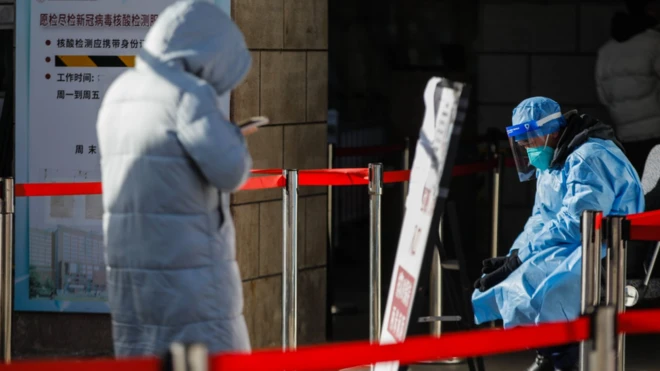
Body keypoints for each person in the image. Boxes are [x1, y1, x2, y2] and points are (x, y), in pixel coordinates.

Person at [96, 1, 255, 357]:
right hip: (188, 275)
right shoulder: (188, 94)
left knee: (144, 357)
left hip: (132, 273)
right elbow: (230, 171)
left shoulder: (118, 92)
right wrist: (234, 135)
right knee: (205, 359)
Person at [471, 97, 644, 371]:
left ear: (550, 130)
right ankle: (551, 353)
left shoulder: (589, 158)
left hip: (602, 245)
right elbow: (540, 218)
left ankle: (564, 357)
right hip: (569, 242)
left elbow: (578, 222)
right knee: (511, 280)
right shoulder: (554, 159)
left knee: (541, 285)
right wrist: (514, 256)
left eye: (530, 142)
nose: (527, 151)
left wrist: (523, 259)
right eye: (523, 145)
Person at [595, 0, 660, 176]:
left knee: (640, 193)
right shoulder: (654, 43)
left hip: (625, 136)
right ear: (650, 10)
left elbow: (603, 97)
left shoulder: (606, 51)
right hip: (656, 134)